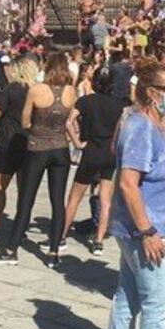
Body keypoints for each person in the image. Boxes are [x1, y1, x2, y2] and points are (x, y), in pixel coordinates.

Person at [104, 59, 165, 329]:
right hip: (147, 229)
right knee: (158, 306)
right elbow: (127, 181)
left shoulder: (148, 124)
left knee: (128, 298)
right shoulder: (140, 125)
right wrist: (148, 230)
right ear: (153, 93)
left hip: (138, 227)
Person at [0, 53, 75, 267]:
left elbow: (26, 121)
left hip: (37, 148)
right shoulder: (71, 91)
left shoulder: (37, 90)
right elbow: (69, 121)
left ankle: (11, 250)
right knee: (58, 202)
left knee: (27, 199)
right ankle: (54, 252)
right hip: (61, 148)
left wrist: (37, 126)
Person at [59, 66, 123, 257]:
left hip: (91, 151)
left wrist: (78, 143)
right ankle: (98, 241)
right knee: (105, 199)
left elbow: (69, 122)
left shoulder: (85, 101)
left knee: (75, 196)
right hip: (110, 153)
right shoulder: (119, 105)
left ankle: (61, 235)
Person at [0, 56, 38, 237]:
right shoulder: (37, 91)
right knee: (24, 189)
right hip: (29, 144)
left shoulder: (10, 90)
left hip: (7, 142)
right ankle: (20, 225)